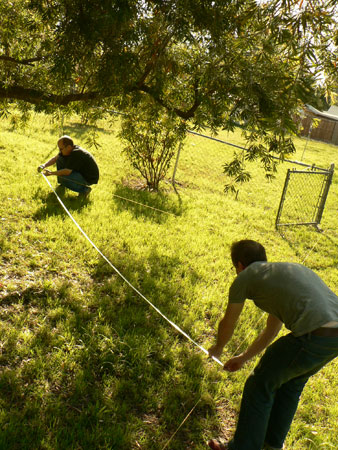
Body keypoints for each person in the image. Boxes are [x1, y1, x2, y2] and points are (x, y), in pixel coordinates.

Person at [208, 239, 338, 450]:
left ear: (240, 265)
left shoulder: (245, 277)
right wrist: (243, 358)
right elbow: (272, 330)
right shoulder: (280, 274)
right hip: (333, 338)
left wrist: (218, 347)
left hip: (314, 334)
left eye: (236, 269)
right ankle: (271, 446)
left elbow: (229, 321)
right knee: (290, 385)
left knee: (259, 385)